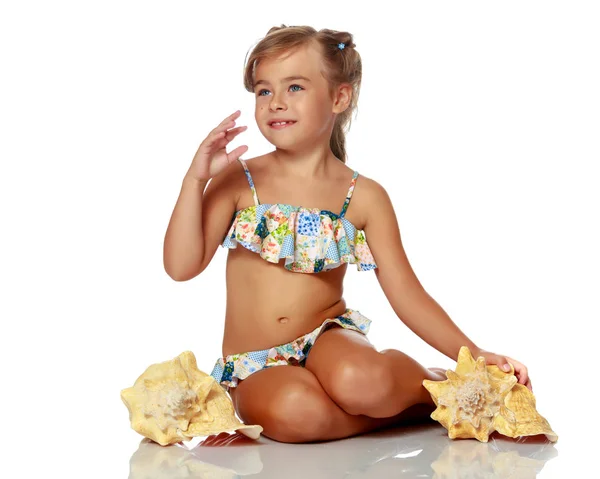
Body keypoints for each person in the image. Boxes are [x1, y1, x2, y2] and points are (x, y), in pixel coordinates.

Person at [163, 25, 532, 444]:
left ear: (339, 97)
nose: (276, 102)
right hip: (256, 363)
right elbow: (181, 266)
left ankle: (443, 384)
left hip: (328, 339)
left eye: (295, 87)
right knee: (295, 413)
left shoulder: (364, 197)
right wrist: (194, 181)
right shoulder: (238, 179)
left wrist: (476, 353)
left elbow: (407, 294)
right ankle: (428, 411)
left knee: (362, 380)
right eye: (263, 91)